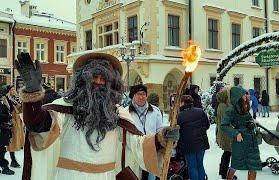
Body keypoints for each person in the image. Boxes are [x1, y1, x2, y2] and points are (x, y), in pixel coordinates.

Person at [15, 52, 179, 180]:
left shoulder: (117, 114)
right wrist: (32, 94)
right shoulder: (64, 109)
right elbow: (39, 125)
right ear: (82, 80)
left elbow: (138, 145)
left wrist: (161, 138)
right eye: (94, 77)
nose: (99, 82)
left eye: (104, 79)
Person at [221, 86, 261, 180]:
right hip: (241, 141)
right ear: (238, 96)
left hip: (251, 141)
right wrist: (236, 133)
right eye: (244, 94)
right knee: (236, 164)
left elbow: (248, 119)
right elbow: (224, 125)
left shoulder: (245, 107)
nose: (247, 96)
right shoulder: (231, 109)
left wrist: (253, 122)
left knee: (253, 165)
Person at [127, 84, 163, 180]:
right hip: (134, 153)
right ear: (132, 96)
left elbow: (160, 130)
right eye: (138, 94)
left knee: (151, 177)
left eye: (144, 94)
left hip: (151, 152)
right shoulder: (126, 113)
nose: (142, 97)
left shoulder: (155, 111)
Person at [177, 95, 210, 180]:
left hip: (188, 145)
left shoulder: (180, 116)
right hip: (201, 143)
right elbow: (207, 125)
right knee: (200, 164)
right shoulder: (200, 111)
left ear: (183, 102)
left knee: (192, 167)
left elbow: (178, 132)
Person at [5, 85, 24, 168]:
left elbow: (20, 110)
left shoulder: (17, 98)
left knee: (15, 140)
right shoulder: (7, 99)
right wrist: (18, 106)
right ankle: (13, 160)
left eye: (14, 89)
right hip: (11, 121)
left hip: (17, 121)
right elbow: (9, 110)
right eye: (12, 89)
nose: (14, 91)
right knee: (11, 141)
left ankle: (13, 160)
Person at [216, 88, 233, 179]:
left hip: (224, 132)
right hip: (226, 133)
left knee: (227, 152)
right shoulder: (223, 106)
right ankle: (224, 172)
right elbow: (226, 120)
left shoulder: (222, 105)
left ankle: (222, 170)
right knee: (228, 152)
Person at [0, 85, 15, 175]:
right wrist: (9, 117)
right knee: (1, 150)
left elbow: (11, 108)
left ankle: (4, 166)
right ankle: (5, 167)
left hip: (4, 130)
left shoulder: (4, 99)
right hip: (2, 129)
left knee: (2, 149)